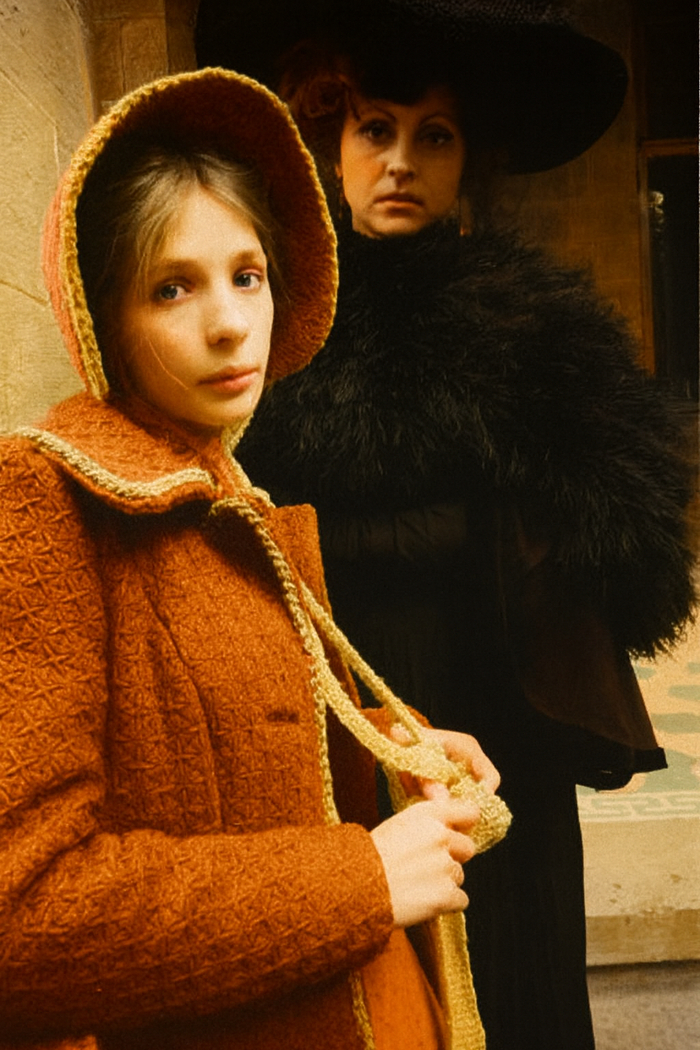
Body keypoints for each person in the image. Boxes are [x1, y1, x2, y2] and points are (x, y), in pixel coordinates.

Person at [196, 3, 698, 1049]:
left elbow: (631, 531)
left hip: (496, 701)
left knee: (511, 967)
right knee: (370, 975)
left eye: (434, 136)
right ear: (332, 141)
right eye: (376, 130)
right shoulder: (270, 319)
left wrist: (522, 524)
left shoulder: (534, 320)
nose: (400, 162)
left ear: (469, 160)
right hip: (333, 708)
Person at [0, 67, 514, 1050]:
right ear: (104, 314)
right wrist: (361, 879)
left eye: (247, 274)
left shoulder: (224, 487)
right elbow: (24, 919)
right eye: (172, 287)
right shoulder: (48, 495)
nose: (231, 322)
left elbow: (210, 756)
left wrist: (388, 744)